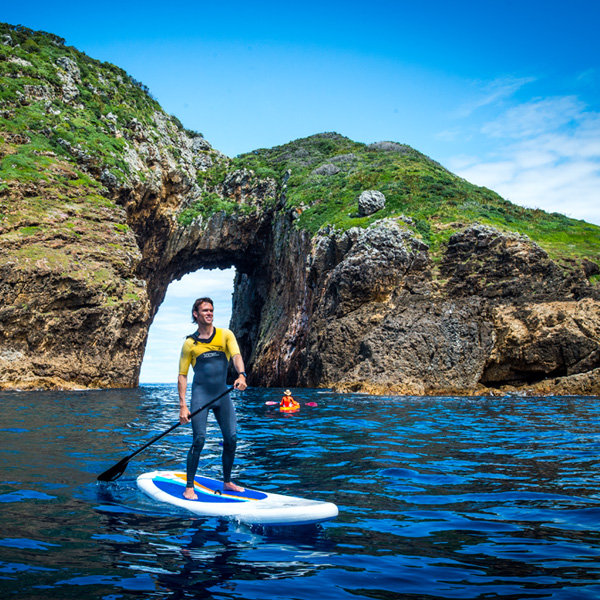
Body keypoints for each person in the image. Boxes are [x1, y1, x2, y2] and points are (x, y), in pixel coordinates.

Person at [178, 297, 247, 499]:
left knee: (232, 438)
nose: (209, 313)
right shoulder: (190, 344)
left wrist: (241, 374)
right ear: (196, 314)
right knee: (199, 439)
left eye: (211, 310)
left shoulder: (226, 335)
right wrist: (183, 406)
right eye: (205, 310)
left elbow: (236, 356)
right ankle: (189, 486)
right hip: (201, 396)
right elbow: (182, 375)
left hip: (222, 395)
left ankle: (227, 481)